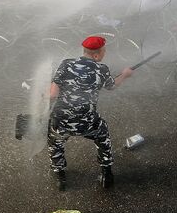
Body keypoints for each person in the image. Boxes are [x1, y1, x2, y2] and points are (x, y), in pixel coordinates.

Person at [47, 36, 133, 191]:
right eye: (104, 52)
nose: (104, 55)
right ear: (96, 55)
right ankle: (107, 174)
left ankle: (60, 175)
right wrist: (125, 74)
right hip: (88, 121)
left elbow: (52, 95)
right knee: (102, 134)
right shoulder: (102, 69)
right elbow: (112, 86)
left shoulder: (66, 64)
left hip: (62, 120)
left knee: (55, 141)